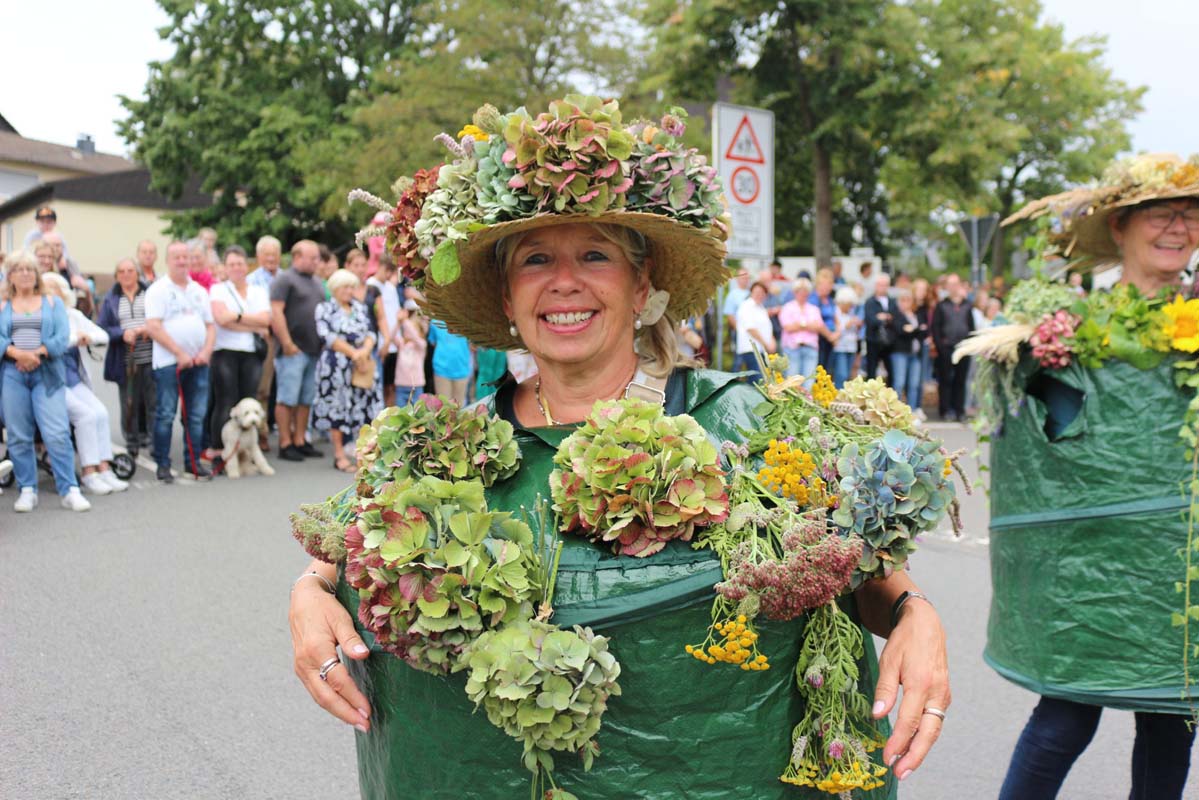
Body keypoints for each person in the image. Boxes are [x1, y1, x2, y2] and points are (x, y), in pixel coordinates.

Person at [288, 96, 950, 799]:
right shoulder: (445, 447)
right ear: (508, 301)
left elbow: (855, 568)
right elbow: (343, 544)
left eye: (594, 255)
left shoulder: (746, 418)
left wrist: (915, 613)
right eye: (535, 258)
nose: (564, 281)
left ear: (641, 287)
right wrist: (308, 592)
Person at [993, 156, 1199, 800]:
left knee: (1171, 724)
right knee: (1065, 717)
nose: (1178, 227)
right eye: (1162, 213)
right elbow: (1045, 454)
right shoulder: (1067, 336)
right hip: (1092, 567)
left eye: (1191, 215)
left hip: (1176, 568)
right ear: (1120, 226)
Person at [0, 250, 91, 512]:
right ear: (11, 276)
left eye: (30, 269)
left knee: (57, 432)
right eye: (19, 270)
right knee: (18, 435)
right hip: (13, 373)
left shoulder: (52, 303)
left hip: (47, 372)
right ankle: (27, 489)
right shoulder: (3, 304)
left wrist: (38, 352)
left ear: (36, 274)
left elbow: (62, 337)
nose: (25, 274)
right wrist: (16, 352)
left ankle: (69, 489)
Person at [41, 273, 129, 495]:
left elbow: (102, 335)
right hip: (52, 382)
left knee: (100, 412)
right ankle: (89, 472)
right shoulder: (41, 317)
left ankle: (105, 468)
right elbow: (54, 343)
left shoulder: (73, 315)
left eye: (56, 289)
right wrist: (74, 338)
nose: (52, 294)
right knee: (85, 416)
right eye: (46, 289)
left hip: (74, 379)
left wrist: (87, 337)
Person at [145, 240, 215, 482]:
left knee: (196, 415)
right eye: (177, 257)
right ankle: (163, 463)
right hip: (168, 363)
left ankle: (193, 462)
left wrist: (206, 351)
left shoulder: (198, 290)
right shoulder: (158, 290)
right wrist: (179, 353)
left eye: (186, 257)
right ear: (167, 260)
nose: (182, 261)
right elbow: (153, 327)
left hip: (199, 363)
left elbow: (210, 325)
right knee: (165, 413)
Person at [311, 269, 380, 473]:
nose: (350, 291)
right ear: (335, 289)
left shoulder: (359, 308)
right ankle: (339, 454)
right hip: (336, 365)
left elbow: (371, 333)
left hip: (362, 364)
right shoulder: (324, 308)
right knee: (337, 407)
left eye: (352, 287)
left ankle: (361, 454)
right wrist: (353, 353)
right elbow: (327, 336)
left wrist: (364, 352)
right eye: (346, 287)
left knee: (362, 407)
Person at [208, 245, 271, 452]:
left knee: (249, 400)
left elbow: (266, 321)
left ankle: (247, 448)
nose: (236, 268)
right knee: (226, 401)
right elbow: (222, 319)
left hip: (251, 354)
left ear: (247, 266)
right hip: (225, 351)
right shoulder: (219, 289)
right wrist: (252, 323)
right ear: (225, 267)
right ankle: (219, 448)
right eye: (231, 264)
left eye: (240, 264)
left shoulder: (258, 291)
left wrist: (236, 316)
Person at [270, 240, 326, 462]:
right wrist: (286, 342)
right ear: (297, 257)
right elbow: (276, 312)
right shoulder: (284, 279)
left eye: (317, 258)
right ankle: (285, 442)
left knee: (306, 399)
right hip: (293, 350)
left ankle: (301, 440)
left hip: (314, 350)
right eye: (311, 258)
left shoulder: (317, 282)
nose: (315, 262)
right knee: (287, 398)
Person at [98, 258, 154, 457]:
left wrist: (149, 328)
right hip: (125, 359)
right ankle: (132, 440)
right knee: (129, 401)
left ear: (137, 273)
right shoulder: (111, 298)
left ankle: (153, 440)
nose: (126, 274)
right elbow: (102, 327)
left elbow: (161, 318)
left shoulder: (150, 293)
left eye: (130, 270)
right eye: (121, 271)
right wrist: (122, 334)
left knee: (152, 401)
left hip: (151, 356)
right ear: (116, 276)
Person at [931, 273, 973, 422]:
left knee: (960, 381)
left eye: (956, 284)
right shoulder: (942, 305)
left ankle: (959, 410)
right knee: (945, 380)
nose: (953, 288)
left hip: (963, 348)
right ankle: (946, 409)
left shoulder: (967, 305)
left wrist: (969, 345)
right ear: (947, 287)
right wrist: (941, 347)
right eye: (950, 284)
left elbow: (971, 326)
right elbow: (935, 328)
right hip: (946, 348)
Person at [365, 256, 400, 408]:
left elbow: (396, 314)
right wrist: (383, 342)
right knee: (378, 385)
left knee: (391, 386)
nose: (387, 275)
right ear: (379, 267)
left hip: (394, 344)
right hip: (379, 344)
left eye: (390, 272)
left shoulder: (391, 288)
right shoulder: (370, 286)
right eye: (386, 270)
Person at [888, 289, 928, 413]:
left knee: (914, 384)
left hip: (915, 354)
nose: (906, 303)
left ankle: (912, 411)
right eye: (903, 300)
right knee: (899, 383)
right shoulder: (896, 315)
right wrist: (916, 330)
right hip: (900, 353)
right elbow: (900, 331)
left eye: (908, 300)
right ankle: (896, 411)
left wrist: (913, 330)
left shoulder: (916, 315)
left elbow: (924, 331)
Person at [778, 277, 824, 384]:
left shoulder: (814, 309)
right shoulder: (787, 307)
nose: (803, 293)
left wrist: (799, 325)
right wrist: (808, 325)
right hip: (792, 348)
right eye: (800, 291)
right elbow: (788, 327)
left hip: (810, 348)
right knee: (792, 383)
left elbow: (818, 326)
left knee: (809, 382)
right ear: (795, 292)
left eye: (806, 291)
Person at [733, 281, 775, 379]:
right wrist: (766, 343)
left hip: (762, 350)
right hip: (750, 349)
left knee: (760, 380)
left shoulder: (762, 308)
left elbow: (767, 328)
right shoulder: (746, 306)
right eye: (756, 292)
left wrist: (771, 341)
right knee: (758, 380)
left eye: (762, 293)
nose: (759, 295)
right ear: (751, 292)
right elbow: (750, 328)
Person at [427, 317, 472, 404]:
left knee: (458, 409)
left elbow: (472, 344)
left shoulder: (466, 321)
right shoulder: (435, 321)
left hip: (462, 369)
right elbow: (433, 342)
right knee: (443, 408)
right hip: (441, 370)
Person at [391, 299, 427, 406]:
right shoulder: (401, 344)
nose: (409, 331)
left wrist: (405, 321)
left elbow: (415, 336)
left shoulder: (421, 345)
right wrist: (398, 322)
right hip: (401, 385)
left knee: (417, 414)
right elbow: (392, 336)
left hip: (416, 385)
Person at [863, 272, 894, 383]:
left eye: (885, 285)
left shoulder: (892, 301)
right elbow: (871, 320)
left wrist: (882, 317)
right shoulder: (870, 301)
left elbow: (895, 318)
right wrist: (885, 317)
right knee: (871, 371)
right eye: (880, 284)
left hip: (889, 342)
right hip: (873, 340)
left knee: (891, 372)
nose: (882, 287)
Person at [831, 286, 863, 388]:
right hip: (840, 347)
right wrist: (848, 324)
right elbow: (837, 329)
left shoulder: (851, 313)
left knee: (847, 375)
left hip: (851, 347)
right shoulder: (835, 312)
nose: (850, 306)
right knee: (841, 374)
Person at [813, 268, 838, 370]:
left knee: (828, 369)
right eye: (826, 284)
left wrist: (837, 333)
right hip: (820, 338)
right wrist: (830, 336)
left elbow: (836, 317)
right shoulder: (813, 299)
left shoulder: (830, 300)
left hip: (831, 339)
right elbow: (817, 321)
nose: (829, 287)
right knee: (820, 368)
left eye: (830, 284)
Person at [721, 267, 751, 331]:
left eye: (747, 278)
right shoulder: (732, 295)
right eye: (743, 278)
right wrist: (739, 331)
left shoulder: (752, 293)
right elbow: (730, 315)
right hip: (739, 331)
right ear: (738, 279)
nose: (746, 280)